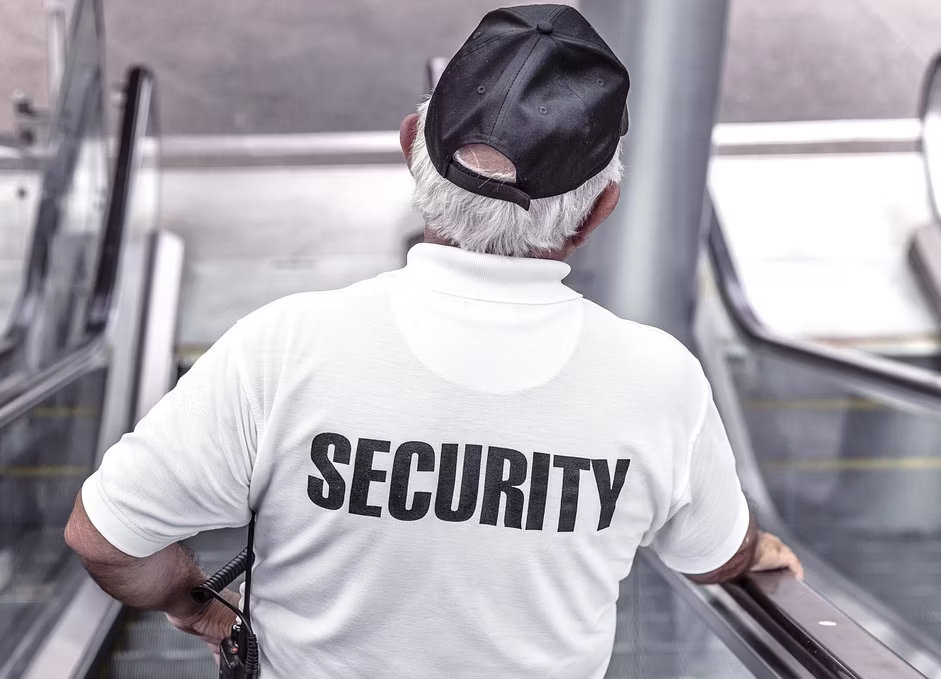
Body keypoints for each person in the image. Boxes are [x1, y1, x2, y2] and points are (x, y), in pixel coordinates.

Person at [64, 4, 802, 677]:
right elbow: (715, 550)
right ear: (596, 210)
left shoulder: (284, 347)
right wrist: (756, 551)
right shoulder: (657, 383)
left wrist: (194, 601)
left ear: (411, 143)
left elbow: (105, 538)